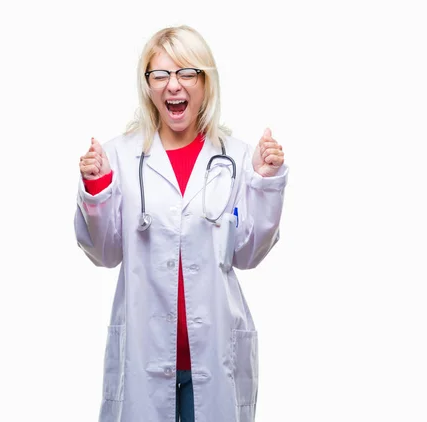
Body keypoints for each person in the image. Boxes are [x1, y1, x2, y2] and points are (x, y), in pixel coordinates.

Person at [74, 25, 288, 422]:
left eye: (187, 73)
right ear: (148, 85)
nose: (174, 85)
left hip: (214, 351)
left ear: (205, 82)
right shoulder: (118, 156)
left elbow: (247, 254)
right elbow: (104, 254)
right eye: (160, 74)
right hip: (144, 351)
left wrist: (265, 182)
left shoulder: (236, 157)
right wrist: (98, 186)